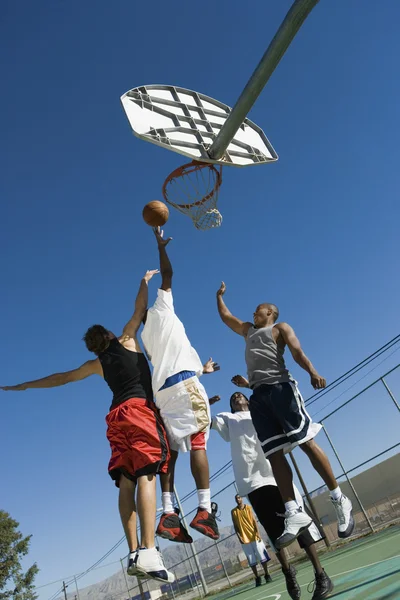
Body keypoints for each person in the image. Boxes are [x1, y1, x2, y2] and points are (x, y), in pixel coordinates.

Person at [1, 270, 174, 583]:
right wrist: (144, 281)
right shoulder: (126, 339)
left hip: (116, 417)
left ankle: (134, 551)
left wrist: (22, 386)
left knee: (126, 480)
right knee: (148, 472)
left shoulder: (95, 365)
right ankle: (149, 551)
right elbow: (139, 309)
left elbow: (61, 378)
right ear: (107, 335)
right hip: (138, 410)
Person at [216, 282, 354, 550]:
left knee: (306, 442)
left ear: (270, 312)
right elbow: (227, 318)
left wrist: (312, 372)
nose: (253, 314)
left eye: (258, 311)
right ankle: (293, 511)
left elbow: (297, 352)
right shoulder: (248, 331)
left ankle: (339, 498)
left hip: (282, 390)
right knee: (274, 454)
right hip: (258, 396)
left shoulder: (280, 328)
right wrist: (219, 297)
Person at [211, 392, 334, 600]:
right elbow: (204, 420)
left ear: (249, 401)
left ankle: (321, 575)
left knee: (300, 525)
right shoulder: (227, 419)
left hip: (275, 474)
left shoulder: (260, 412)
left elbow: (272, 398)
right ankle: (288, 572)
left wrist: (251, 387)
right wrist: (206, 403)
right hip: (252, 481)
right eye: (232, 397)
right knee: (275, 532)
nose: (236, 397)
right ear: (231, 406)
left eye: (240, 395)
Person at [141, 228, 220, 542]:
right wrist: (160, 247)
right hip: (185, 385)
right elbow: (169, 273)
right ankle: (204, 510)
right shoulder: (161, 307)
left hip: (164, 394)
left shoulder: (146, 339)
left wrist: (201, 369)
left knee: (172, 451)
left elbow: (172, 360)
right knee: (198, 442)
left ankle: (168, 513)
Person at [231, 494, 272, 587]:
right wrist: (239, 537)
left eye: (239, 497)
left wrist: (258, 533)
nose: (238, 499)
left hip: (254, 537)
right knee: (251, 560)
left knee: (262, 557)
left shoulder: (248, 507)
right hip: (245, 540)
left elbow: (254, 521)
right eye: (236, 498)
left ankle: (267, 574)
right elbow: (235, 526)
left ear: (242, 498)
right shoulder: (233, 512)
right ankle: (257, 577)